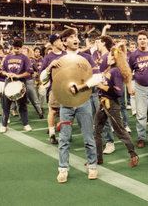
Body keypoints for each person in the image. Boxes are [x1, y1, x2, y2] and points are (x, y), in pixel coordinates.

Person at [55, 28, 102, 183]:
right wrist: (49, 67)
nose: (75, 39)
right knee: (64, 138)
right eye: (71, 37)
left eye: (76, 36)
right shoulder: (58, 58)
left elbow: (97, 77)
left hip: (83, 100)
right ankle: (63, 169)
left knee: (88, 136)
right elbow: (43, 78)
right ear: (64, 41)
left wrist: (82, 87)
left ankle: (92, 166)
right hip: (66, 103)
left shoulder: (86, 56)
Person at [91, 44, 139, 167]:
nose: (108, 57)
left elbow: (119, 92)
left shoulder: (115, 71)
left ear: (114, 58)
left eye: (110, 55)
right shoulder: (110, 70)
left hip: (111, 104)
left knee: (120, 131)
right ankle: (98, 158)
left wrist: (102, 87)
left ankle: (133, 154)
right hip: (103, 103)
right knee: (96, 130)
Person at [0, 39, 33, 133]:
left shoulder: (25, 58)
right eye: (14, 48)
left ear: (21, 48)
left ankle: (26, 124)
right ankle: (3, 124)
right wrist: (7, 74)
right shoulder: (7, 57)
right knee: (5, 105)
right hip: (8, 82)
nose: (16, 50)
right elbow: (2, 70)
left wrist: (17, 75)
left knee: (22, 105)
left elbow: (28, 72)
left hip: (20, 82)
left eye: (18, 48)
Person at [40, 33, 67, 144]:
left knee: (66, 111)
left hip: (67, 87)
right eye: (60, 40)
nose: (62, 42)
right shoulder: (48, 57)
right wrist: (50, 66)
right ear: (55, 42)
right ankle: (52, 134)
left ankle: (65, 133)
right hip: (54, 87)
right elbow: (41, 75)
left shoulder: (66, 54)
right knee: (53, 110)